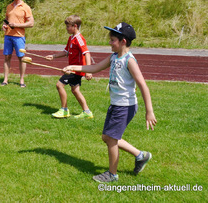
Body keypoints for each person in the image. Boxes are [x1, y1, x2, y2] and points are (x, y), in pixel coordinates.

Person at [63, 22, 157, 183]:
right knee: (107, 137)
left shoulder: (129, 60)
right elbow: (95, 68)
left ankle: (112, 175)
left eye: (112, 40)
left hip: (125, 106)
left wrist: (149, 111)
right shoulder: (114, 57)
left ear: (123, 41)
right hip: (116, 104)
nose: (109, 43)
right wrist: (74, 67)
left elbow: (143, 85)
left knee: (111, 140)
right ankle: (140, 156)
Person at [47, 15, 94, 119]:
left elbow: (87, 53)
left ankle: (64, 110)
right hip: (72, 69)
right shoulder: (71, 38)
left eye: (68, 26)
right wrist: (53, 56)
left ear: (75, 26)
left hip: (76, 70)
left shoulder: (79, 39)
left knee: (59, 85)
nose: (67, 29)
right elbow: (66, 52)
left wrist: (88, 71)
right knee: (75, 90)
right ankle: (87, 112)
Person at [1, 0, 34, 87]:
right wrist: (4, 25)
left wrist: (17, 25)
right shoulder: (9, 6)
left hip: (19, 36)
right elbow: (6, 18)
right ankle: (5, 80)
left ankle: (21, 80)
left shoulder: (25, 7)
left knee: (21, 58)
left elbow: (31, 23)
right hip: (8, 36)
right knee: (7, 57)